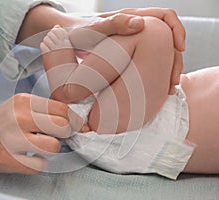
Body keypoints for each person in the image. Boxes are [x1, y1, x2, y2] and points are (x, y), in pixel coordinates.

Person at [0, 1, 185, 175]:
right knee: (153, 31)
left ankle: (73, 85)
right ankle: (71, 86)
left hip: (151, 127)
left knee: (152, 33)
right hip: (151, 120)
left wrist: (67, 24)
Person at [40, 17, 219, 178]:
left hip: (149, 128)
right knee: (149, 35)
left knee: (153, 32)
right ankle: (93, 71)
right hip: (151, 129)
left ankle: (70, 87)